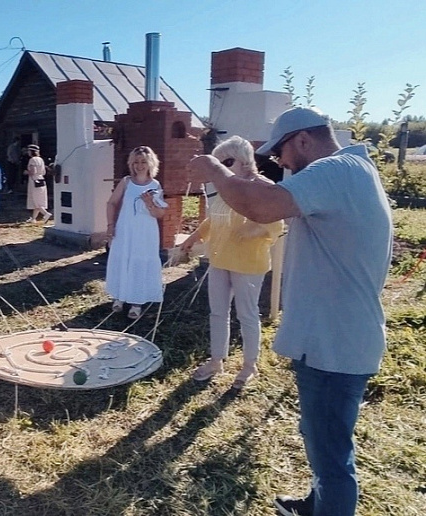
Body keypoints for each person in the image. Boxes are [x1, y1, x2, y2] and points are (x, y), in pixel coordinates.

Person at [187, 107, 392, 516]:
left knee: (332, 457)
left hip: (335, 345)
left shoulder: (336, 170)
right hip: (334, 338)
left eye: (280, 153)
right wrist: (247, 181)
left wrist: (215, 168)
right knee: (322, 441)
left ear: (302, 140)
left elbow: (261, 207)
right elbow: (268, 196)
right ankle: (314, 505)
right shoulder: (350, 171)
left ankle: (326, 505)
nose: (278, 162)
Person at [179, 136, 283, 389]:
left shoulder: (262, 186)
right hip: (219, 258)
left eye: (226, 162)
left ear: (243, 160)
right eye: (218, 163)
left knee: (247, 314)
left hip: (248, 262)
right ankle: (217, 360)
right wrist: (192, 238)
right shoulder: (224, 187)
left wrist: (255, 230)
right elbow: (213, 219)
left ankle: (250, 365)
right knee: (217, 312)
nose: (221, 169)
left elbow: (277, 223)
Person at [105, 146, 168, 320]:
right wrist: (111, 225)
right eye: (136, 162)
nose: (139, 165)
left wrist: (149, 203)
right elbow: (111, 203)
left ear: (150, 164)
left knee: (140, 262)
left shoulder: (155, 185)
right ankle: (119, 296)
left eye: (143, 162)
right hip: (126, 230)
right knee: (123, 259)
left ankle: (136, 302)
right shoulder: (126, 182)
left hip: (146, 233)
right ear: (131, 164)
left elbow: (160, 214)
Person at [24, 144, 52, 223]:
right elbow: (44, 172)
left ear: (31, 152)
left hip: (34, 181)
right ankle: (33, 218)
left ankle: (46, 214)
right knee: (37, 199)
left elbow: (33, 171)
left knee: (36, 200)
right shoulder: (41, 159)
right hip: (41, 179)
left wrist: (26, 172)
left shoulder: (32, 160)